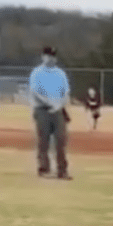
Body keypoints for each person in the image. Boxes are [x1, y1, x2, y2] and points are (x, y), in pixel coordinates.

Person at [29, 46, 72, 180]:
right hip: (42, 109)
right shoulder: (37, 72)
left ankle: (62, 169)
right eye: (47, 55)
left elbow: (66, 92)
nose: (50, 58)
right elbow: (35, 92)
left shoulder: (60, 73)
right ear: (43, 57)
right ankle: (44, 168)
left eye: (52, 56)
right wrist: (49, 102)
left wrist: (59, 104)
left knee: (61, 139)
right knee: (44, 141)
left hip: (57, 110)